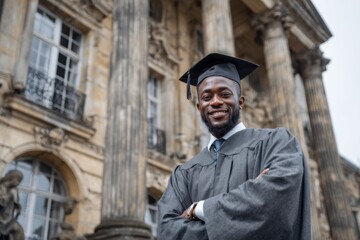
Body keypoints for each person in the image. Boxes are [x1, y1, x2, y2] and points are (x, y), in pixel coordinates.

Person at [157, 53, 311, 240]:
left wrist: (198, 209)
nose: (215, 102)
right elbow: (167, 231)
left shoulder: (277, 143)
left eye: (224, 94)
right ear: (199, 107)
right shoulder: (184, 174)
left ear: (240, 101)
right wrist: (250, 205)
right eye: (206, 97)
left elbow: (276, 206)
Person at [0, 170, 25, 240]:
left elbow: (16, 204)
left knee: (19, 231)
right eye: (18, 180)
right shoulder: (1, 187)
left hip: (9, 220)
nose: (18, 183)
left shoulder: (14, 190)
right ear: (12, 178)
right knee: (17, 230)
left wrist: (18, 207)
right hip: (2, 218)